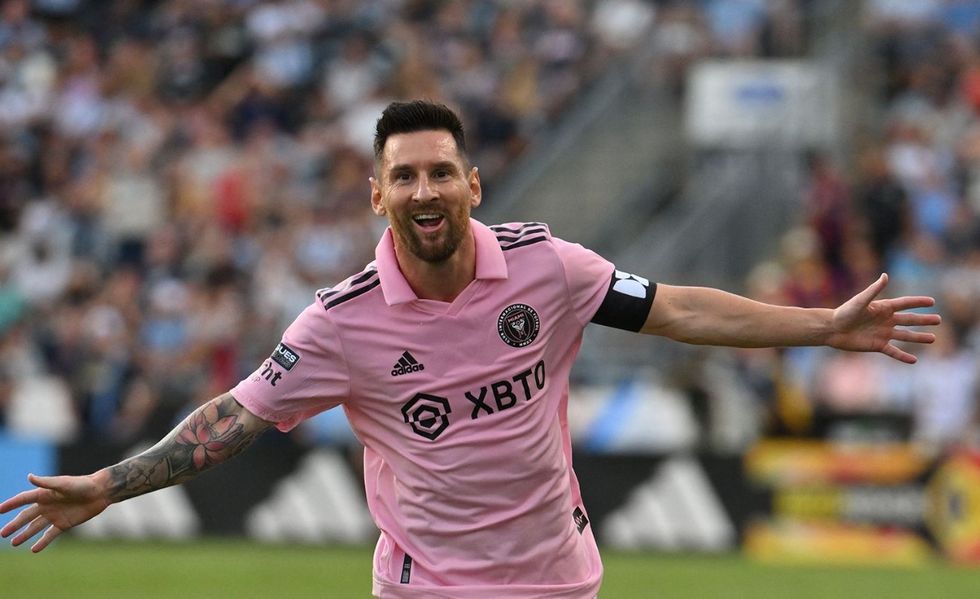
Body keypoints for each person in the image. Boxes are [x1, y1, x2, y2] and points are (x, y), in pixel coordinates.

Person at [1, 100, 941, 598]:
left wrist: (823, 325)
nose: (425, 190)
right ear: (378, 195)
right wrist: (108, 484)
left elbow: (680, 309)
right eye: (404, 174)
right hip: (428, 585)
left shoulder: (549, 268)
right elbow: (233, 417)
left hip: (559, 576)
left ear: (473, 184)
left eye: (441, 171)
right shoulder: (339, 321)